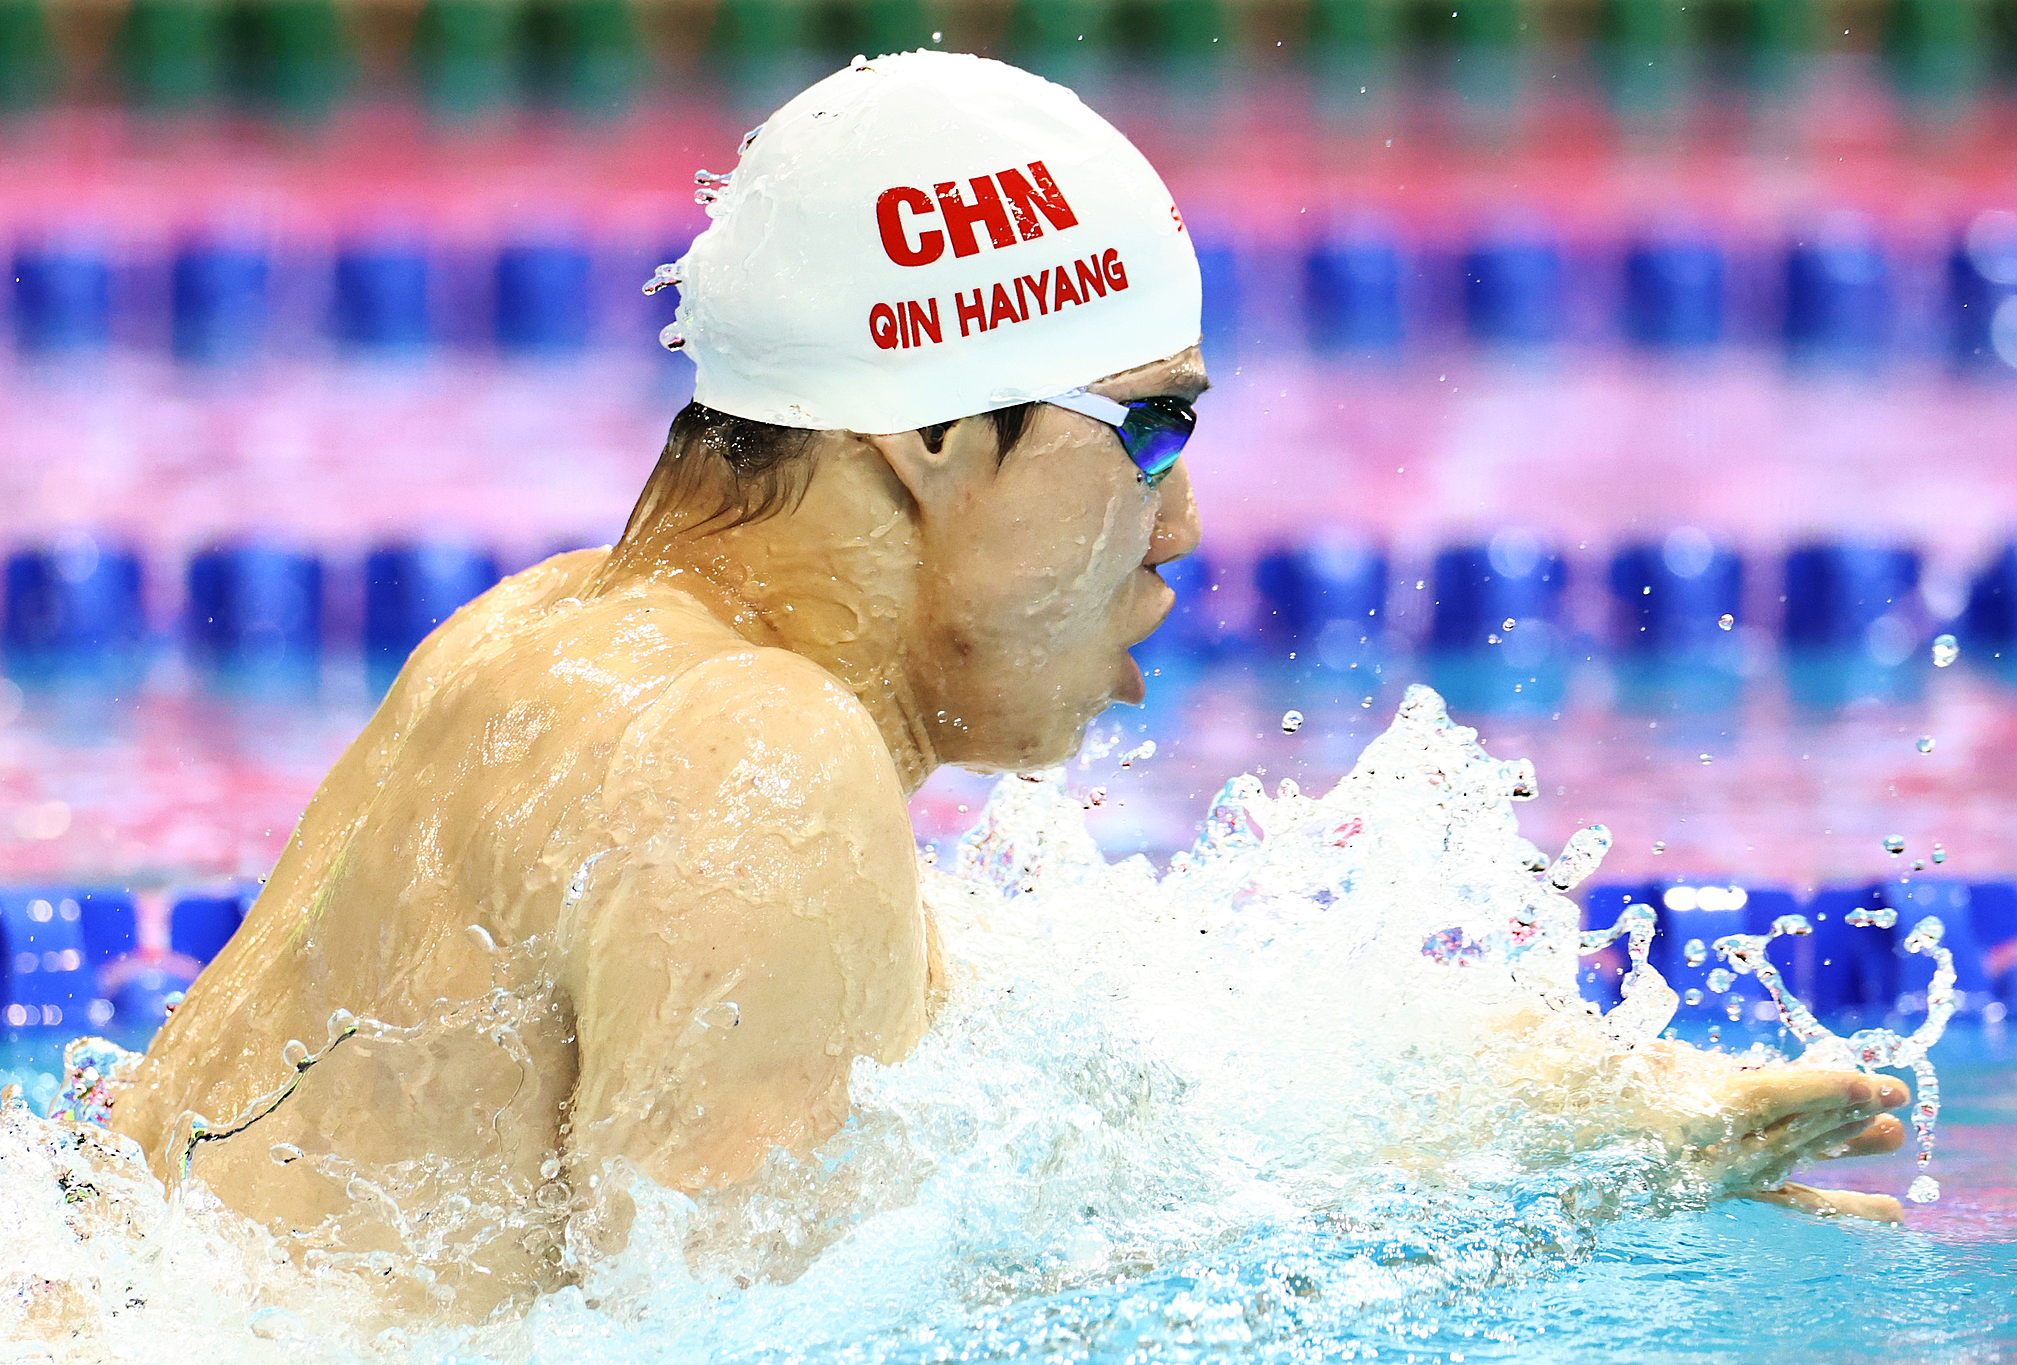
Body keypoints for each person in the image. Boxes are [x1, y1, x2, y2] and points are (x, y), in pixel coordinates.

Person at [107, 51, 1909, 1316]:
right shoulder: (759, 752)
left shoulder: (552, 638)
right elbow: (768, 1337)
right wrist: (1523, 1220)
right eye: (1149, 425)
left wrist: (1542, 1109)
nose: (1186, 521)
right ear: (921, 432)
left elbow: (1029, 1138)